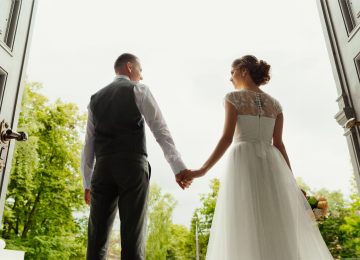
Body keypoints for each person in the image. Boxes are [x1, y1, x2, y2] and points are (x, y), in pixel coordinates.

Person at [183, 55, 334, 259]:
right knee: (276, 220)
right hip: (272, 163)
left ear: (243, 70)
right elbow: (279, 144)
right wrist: (291, 181)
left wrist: (202, 170)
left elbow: (227, 138)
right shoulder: (276, 104)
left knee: (244, 220)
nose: (230, 78)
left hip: (243, 160)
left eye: (232, 72)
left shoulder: (233, 98)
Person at [80, 53, 191, 260]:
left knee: (96, 240)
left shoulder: (95, 99)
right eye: (140, 71)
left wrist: (87, 183)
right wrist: (179, 168)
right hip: (132, 165)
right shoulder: (139, 89)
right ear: (130, 67)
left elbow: (89, 144)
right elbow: (161, 131)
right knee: (133, 237)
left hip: (102, 170)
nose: (141, 76)